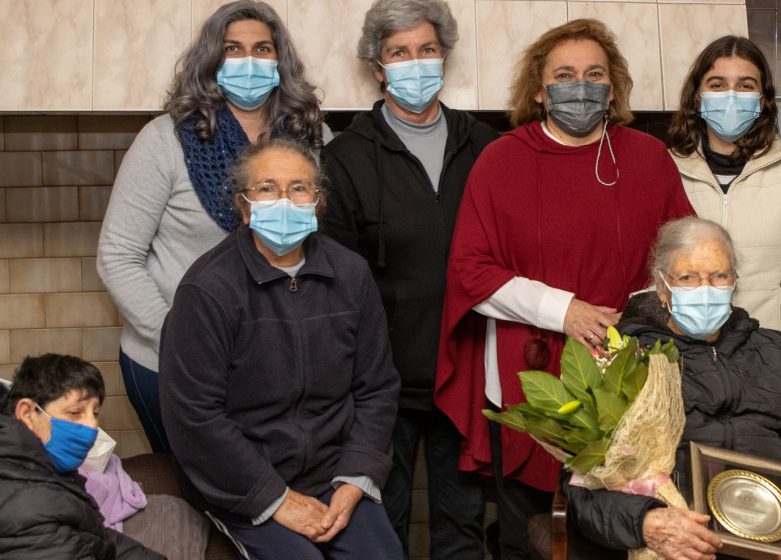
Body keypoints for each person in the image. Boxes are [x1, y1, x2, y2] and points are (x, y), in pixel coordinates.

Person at [435, 18, 695, 559]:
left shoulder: (648, 158)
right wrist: (566, 311)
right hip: (527, 371)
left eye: (594, 73)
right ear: (539, 87)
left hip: (627, 375)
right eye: (565, 74)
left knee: (620, 526)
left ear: (613, 85)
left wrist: (628, 325)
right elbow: (472, 271)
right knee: (525, 533)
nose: (581, 85)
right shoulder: (501, 160)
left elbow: (680, 264)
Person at [96, 0, 329, 454]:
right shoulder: (163, 141)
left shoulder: (314, 140)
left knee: (256, 495)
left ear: (280, 60)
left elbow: (322, 249)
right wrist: (182, 341)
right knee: (193, 497)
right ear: (212, 61)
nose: (249, 61)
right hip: (170, 360)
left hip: (272, 363)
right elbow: (117, 255)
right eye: (232, 49)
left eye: (262, 48)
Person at [159, 140, 403, 559]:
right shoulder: (208, 289)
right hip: (244, 481)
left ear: (318, 202)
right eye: (267, 188)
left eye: (299, 188)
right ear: (244, 206)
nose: (285, 200)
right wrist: (275, 499)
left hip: (334, 473)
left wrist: (355, 479)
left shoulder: (351, 274)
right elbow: (195, 416)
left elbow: (376, 388)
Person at [320, 1, 499, 556]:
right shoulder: (345, 157)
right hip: (380, 386)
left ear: (444, 56)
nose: (415, 63)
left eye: (426, 50)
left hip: (467, 374)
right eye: (399, 53)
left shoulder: (489, 148)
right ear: (378, 66)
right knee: (379, 528)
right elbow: (335, 278)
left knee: (462, 528)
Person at [565, 217, 781, 560]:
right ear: (663, 288)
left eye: (718, 277)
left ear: (734, 283)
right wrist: (648, 522)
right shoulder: (626, 357)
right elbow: (587, 488)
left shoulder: (776, 352)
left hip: (775, 538)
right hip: (678, 543)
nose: (706, 289)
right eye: (688, 278)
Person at [668, 36, 781, 338]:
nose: (731, 96)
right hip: (684, 354)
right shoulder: (667, 170)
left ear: (762, 101)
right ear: (697, 97)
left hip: (772, 349)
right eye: (718, 85)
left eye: (746, 85)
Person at [0, 354, 162, 559]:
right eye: (75, 412)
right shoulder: (27, 506)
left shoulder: (40, 472)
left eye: (94, 413)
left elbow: (97, 538)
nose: (92, 426)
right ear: (27, 413)